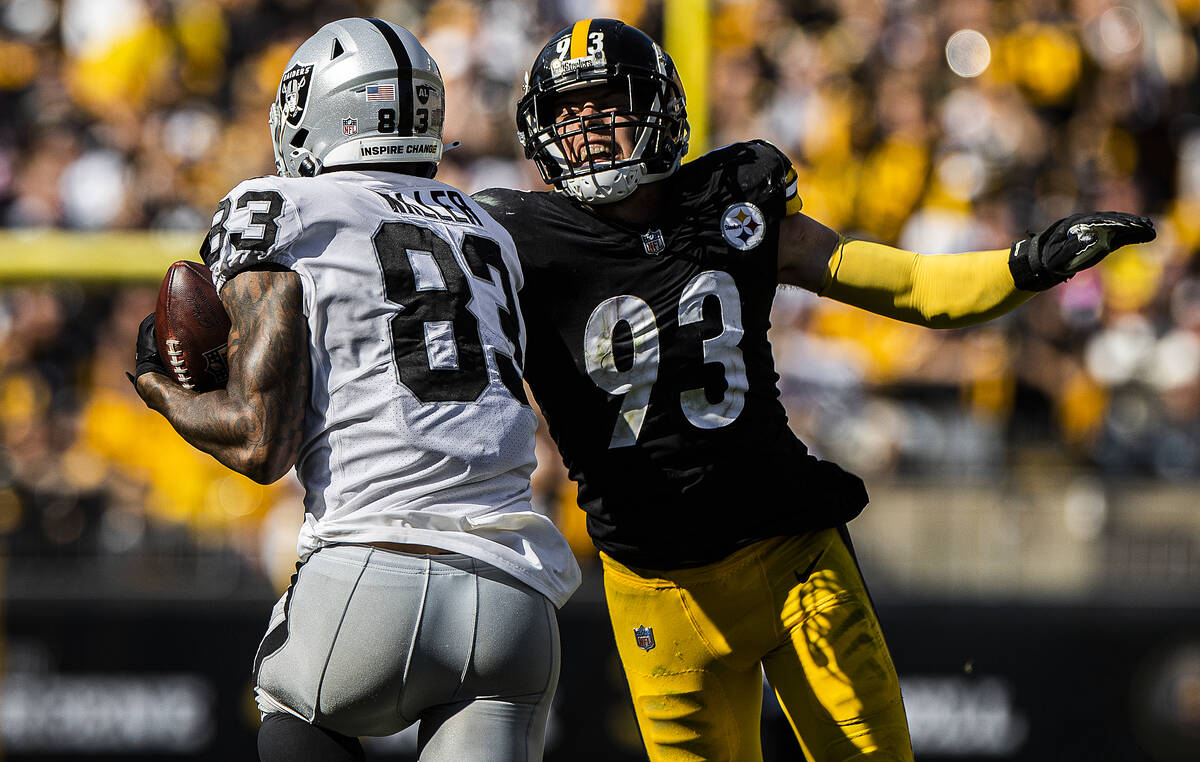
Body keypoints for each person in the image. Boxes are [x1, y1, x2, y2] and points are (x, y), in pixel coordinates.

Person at [473, 17, 1155, 762]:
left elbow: (916, 286)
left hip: (791, 553)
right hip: (654, 589)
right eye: (568, 111)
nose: (587, 126)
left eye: (607, 101)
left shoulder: (732, 201)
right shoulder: (515, 239)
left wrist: (1029, 263)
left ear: (658, 107)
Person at [129, 17, 580, 762]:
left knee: (290, 704)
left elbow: (259, 441)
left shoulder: (281, 206)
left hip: (369, 574)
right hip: (515, 597)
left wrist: (156, 386)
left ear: (325, 112)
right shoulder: (487, 229)